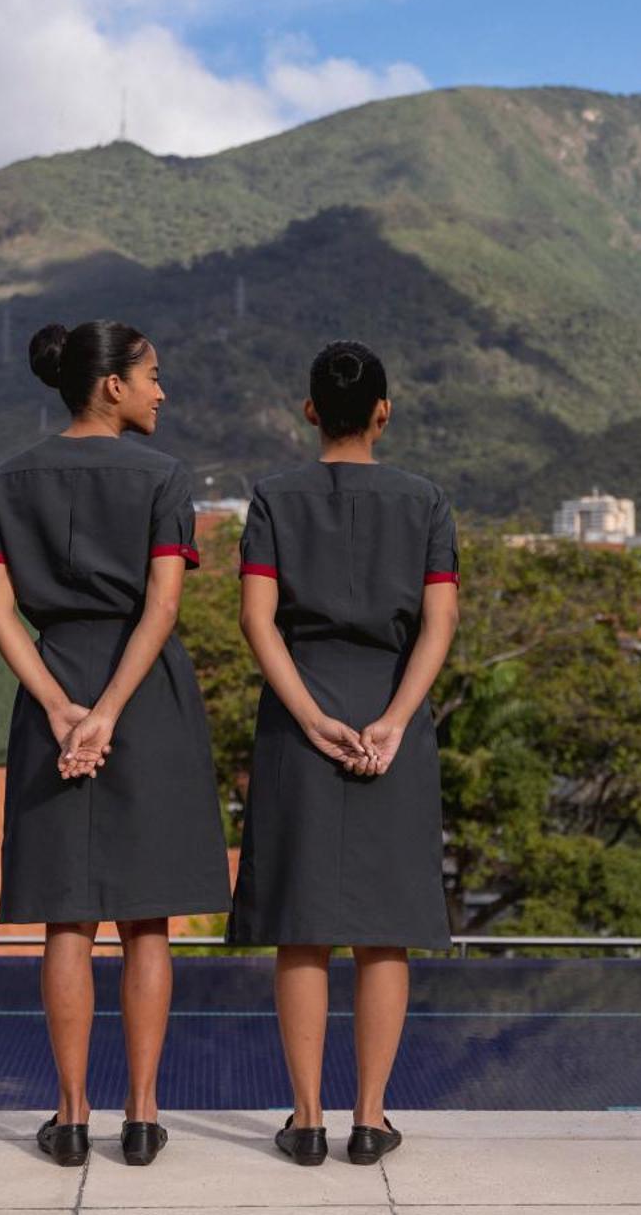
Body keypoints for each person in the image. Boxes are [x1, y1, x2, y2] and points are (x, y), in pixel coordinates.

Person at [0, 320, 232, 1168]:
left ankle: (72, 1113)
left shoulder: (10, 478)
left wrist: (58, 705)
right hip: (144, 693)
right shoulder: (163, 478)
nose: (163, 391)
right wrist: (110, 711)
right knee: (147, 919)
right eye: (153, 375)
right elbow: (162, 607)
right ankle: (146, 1113)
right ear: (112, 384)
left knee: (67, 916)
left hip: (54, 681)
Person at [227, 339, 460, 1166]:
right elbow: (438, 624)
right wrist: (396, 718)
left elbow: (258, 621)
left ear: (311, 410)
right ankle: (370, 1116)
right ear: (385, 413)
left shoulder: (273, 499)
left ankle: (307, 1118)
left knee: (303, 929)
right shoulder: (425, 501)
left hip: (301, 718)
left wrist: (312, 716)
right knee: (383, 932)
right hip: (393, 713)